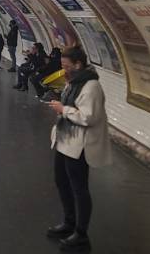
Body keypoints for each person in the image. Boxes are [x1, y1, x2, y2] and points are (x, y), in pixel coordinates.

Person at [46, 45, 112, 251]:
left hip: (80, 145)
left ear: (78, 64)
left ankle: (81, 234)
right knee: (62, 182)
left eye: (67, 66)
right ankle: (69, 222)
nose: (64, 70)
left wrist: (62, 108)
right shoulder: (74, 82)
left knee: (79, 189)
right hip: (65, 140)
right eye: (62, 66)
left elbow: (88, 117)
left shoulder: (91, 86)